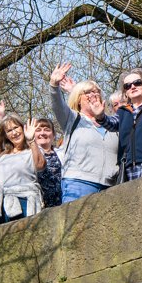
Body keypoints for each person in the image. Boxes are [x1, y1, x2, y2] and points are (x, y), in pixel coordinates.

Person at [49, 63, 120, 202]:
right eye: (87, 92)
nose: (93, 94)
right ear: (78, 99)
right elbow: (57, 105)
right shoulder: (72, 118)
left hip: (111, 186)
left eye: (96, 91)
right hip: (79, 184)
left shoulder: (112, 123)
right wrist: (53, 85)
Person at [0, 116, 45, 227]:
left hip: (24, 202)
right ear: (5, 135)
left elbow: (40, 165)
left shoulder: (32, 150)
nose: (14, 133)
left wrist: (31, 140)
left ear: (23, 128)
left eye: (16, 127)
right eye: (9, 131)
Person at [101, 70, 142, 180]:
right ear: (125, 92)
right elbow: (111, 123)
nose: (133, 87)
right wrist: (100, 115)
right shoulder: (123, 112)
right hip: (127, 167)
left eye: (137, 83)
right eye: (128, 86)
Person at [33, 118, 63, 207]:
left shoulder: (62, 153)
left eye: (47, 130)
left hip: (62, 204)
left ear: (53, 135)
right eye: (38, 130)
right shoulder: (28, 155)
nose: (42, 133)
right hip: (40, 206)